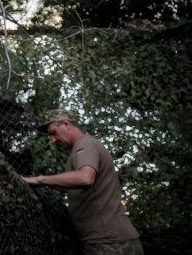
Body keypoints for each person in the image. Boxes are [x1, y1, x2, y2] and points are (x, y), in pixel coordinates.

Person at [22, 109, 143, 255]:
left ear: (66, 124)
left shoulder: (84, 145)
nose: (53, 140)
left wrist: (39, 179)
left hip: (109, 244)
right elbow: (76, 186)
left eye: (54, 133)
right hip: (111, 241)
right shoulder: (83, 147)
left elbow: (85, 178)